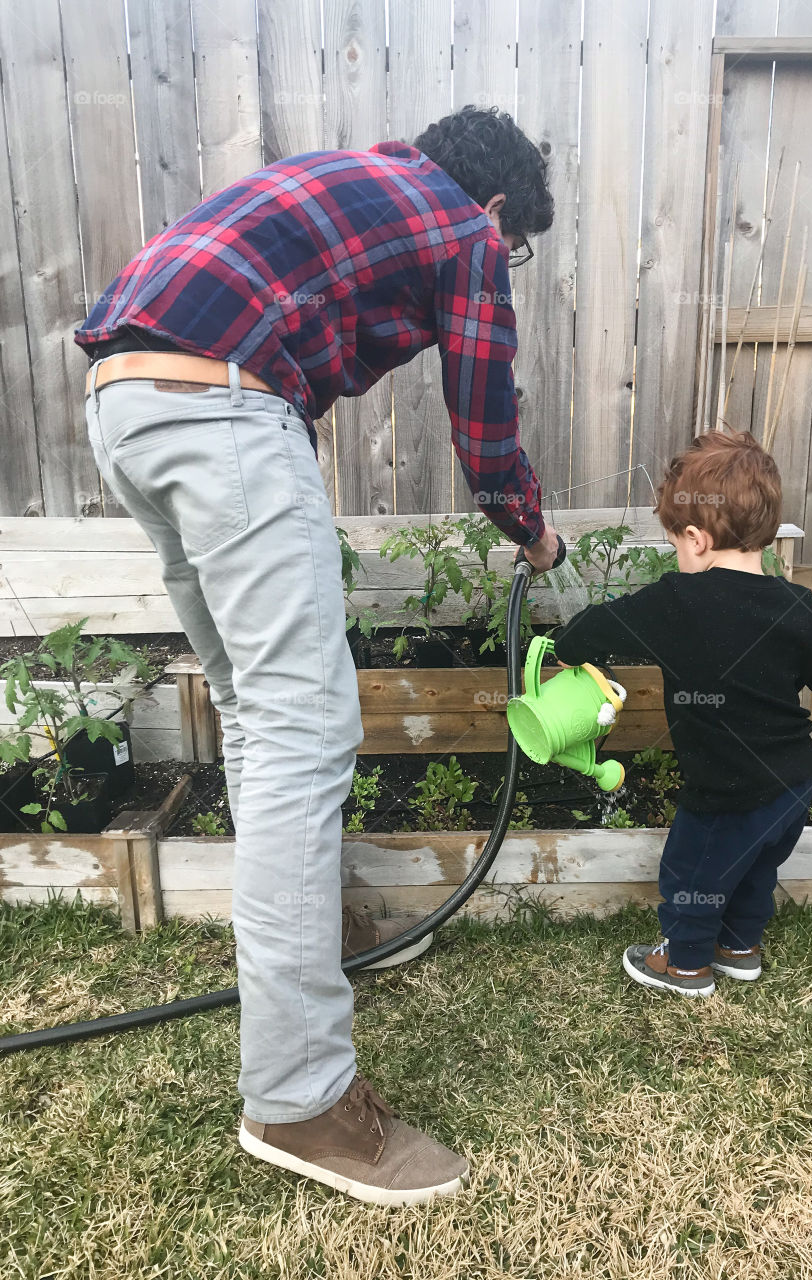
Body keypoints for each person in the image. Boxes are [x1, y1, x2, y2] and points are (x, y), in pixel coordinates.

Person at [75, 106, 560, 1205]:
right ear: (495, 207)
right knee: (305, 725)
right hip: (224, 408)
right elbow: (486, 435)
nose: (505, 254)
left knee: (254, 712)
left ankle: (313, 928)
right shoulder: (463, 227)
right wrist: (531, 526)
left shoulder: (347, 177)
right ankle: (301, 1095)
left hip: (124, 404)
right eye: (514, 238)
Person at [551, 431, 812, 998]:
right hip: (793, 783)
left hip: (724, 790)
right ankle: (740, 948)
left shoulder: (675, 603)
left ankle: (686, 964)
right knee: (755, 869)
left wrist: (567, 646)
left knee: (692, 876)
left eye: (676, 540)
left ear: (696, 539)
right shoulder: (794, 604)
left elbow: (596, 628)